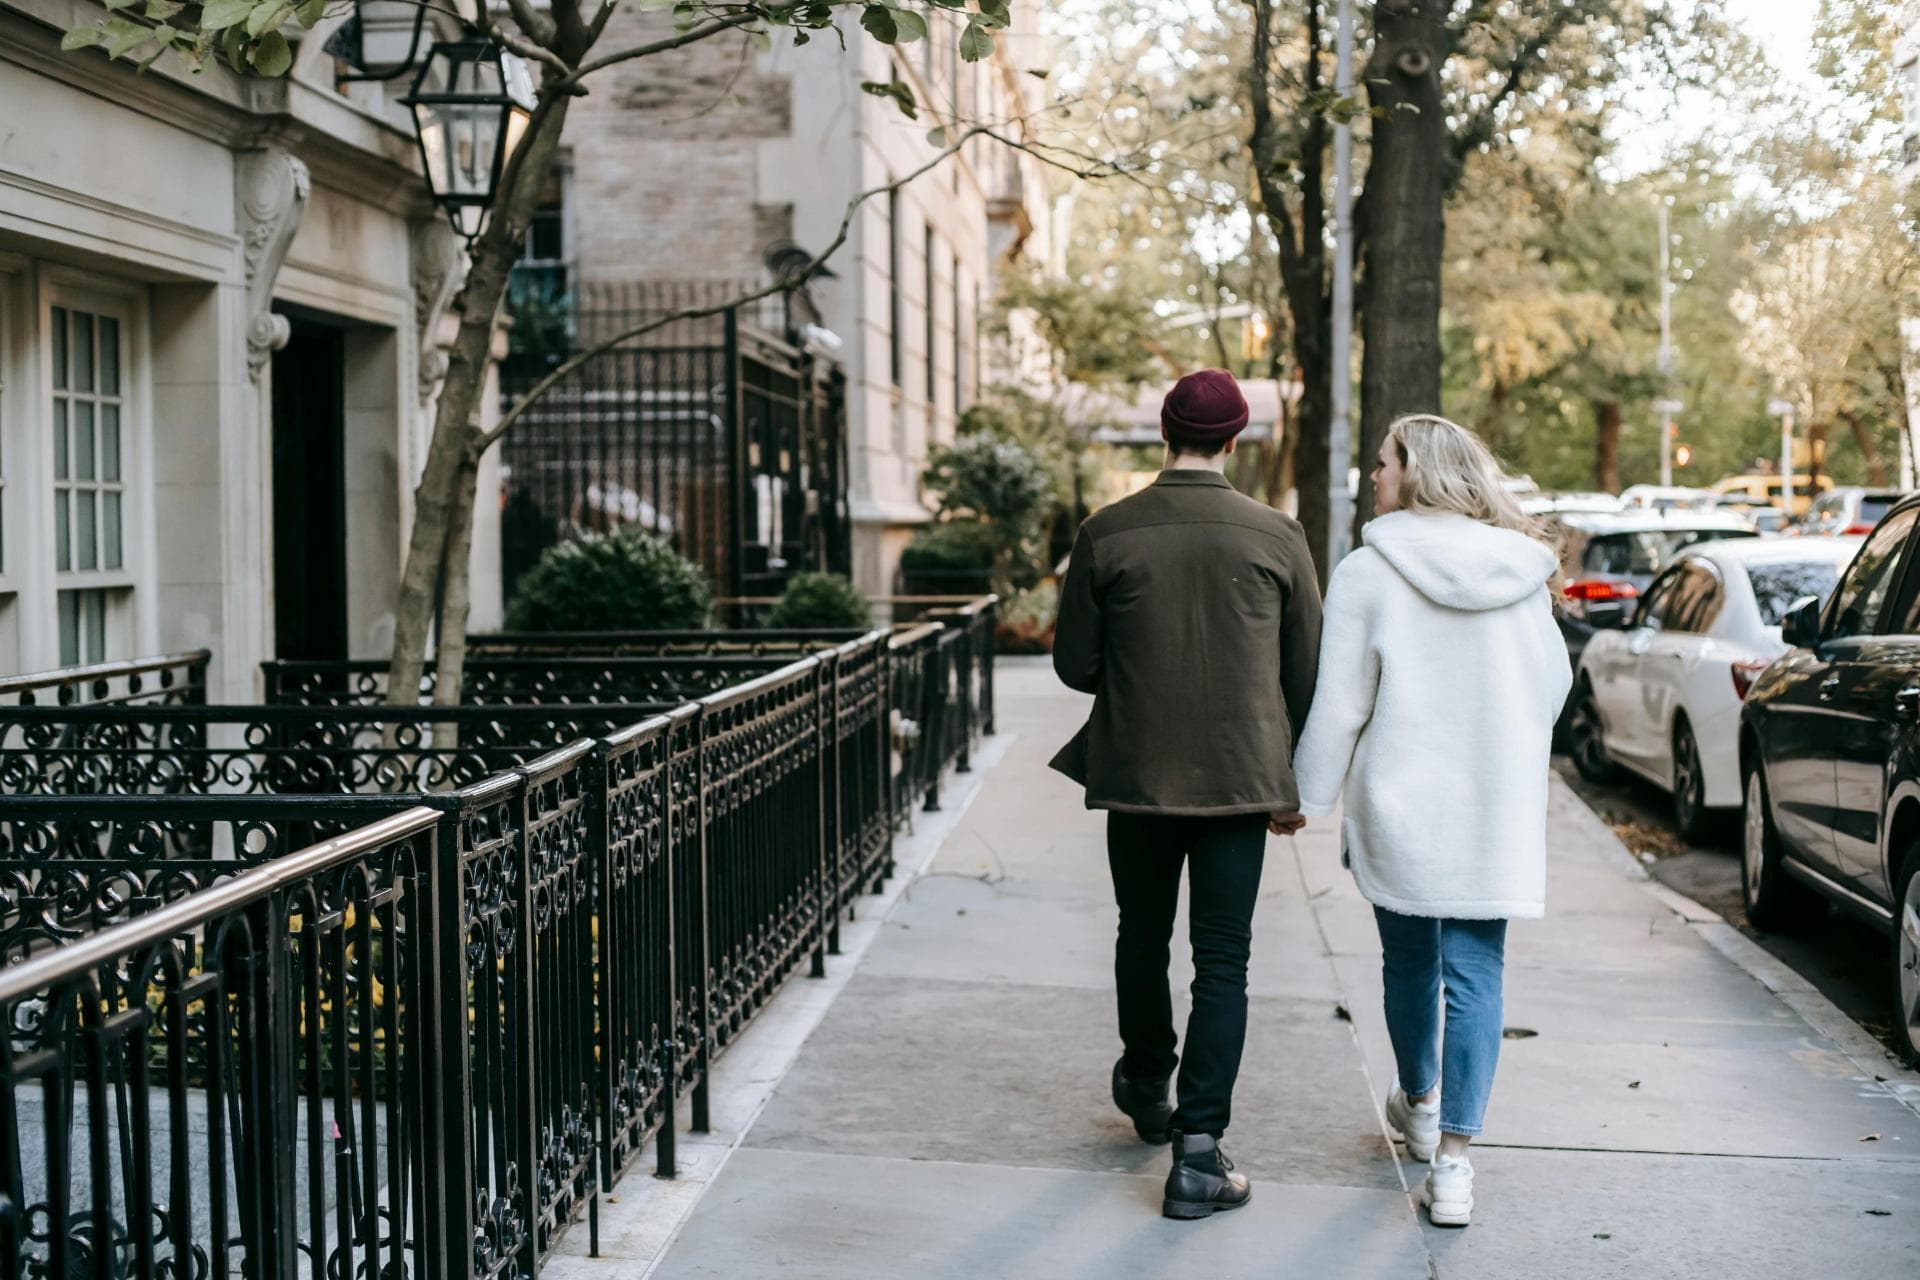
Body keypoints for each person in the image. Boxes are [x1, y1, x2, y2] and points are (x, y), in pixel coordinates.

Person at [1050, 368, 1323, 1221]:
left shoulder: (1108, 531)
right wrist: (1285, 777)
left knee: (1141, 932)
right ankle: (1199, 1153)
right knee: (1224, 961)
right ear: (1237, 440)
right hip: (1240, 781)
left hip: (1137, 775)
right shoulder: (1279, 535)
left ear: (1166, 434)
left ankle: (1144, 1076)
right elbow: (1304, 673)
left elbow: (1074, 666)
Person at [1293, 414, 1571, 1228]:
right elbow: (1551, 689)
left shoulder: (1368, 570)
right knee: (1477, 974)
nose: (1373, 476)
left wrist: (1305, 799)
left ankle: (1418, 1100)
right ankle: (1454, 1165)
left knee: (1410, 962)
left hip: (1400, 803)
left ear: (1415, 472)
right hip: (1494, 803)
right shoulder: (1521, 571)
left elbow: (1341, 703)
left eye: (1382, 463)